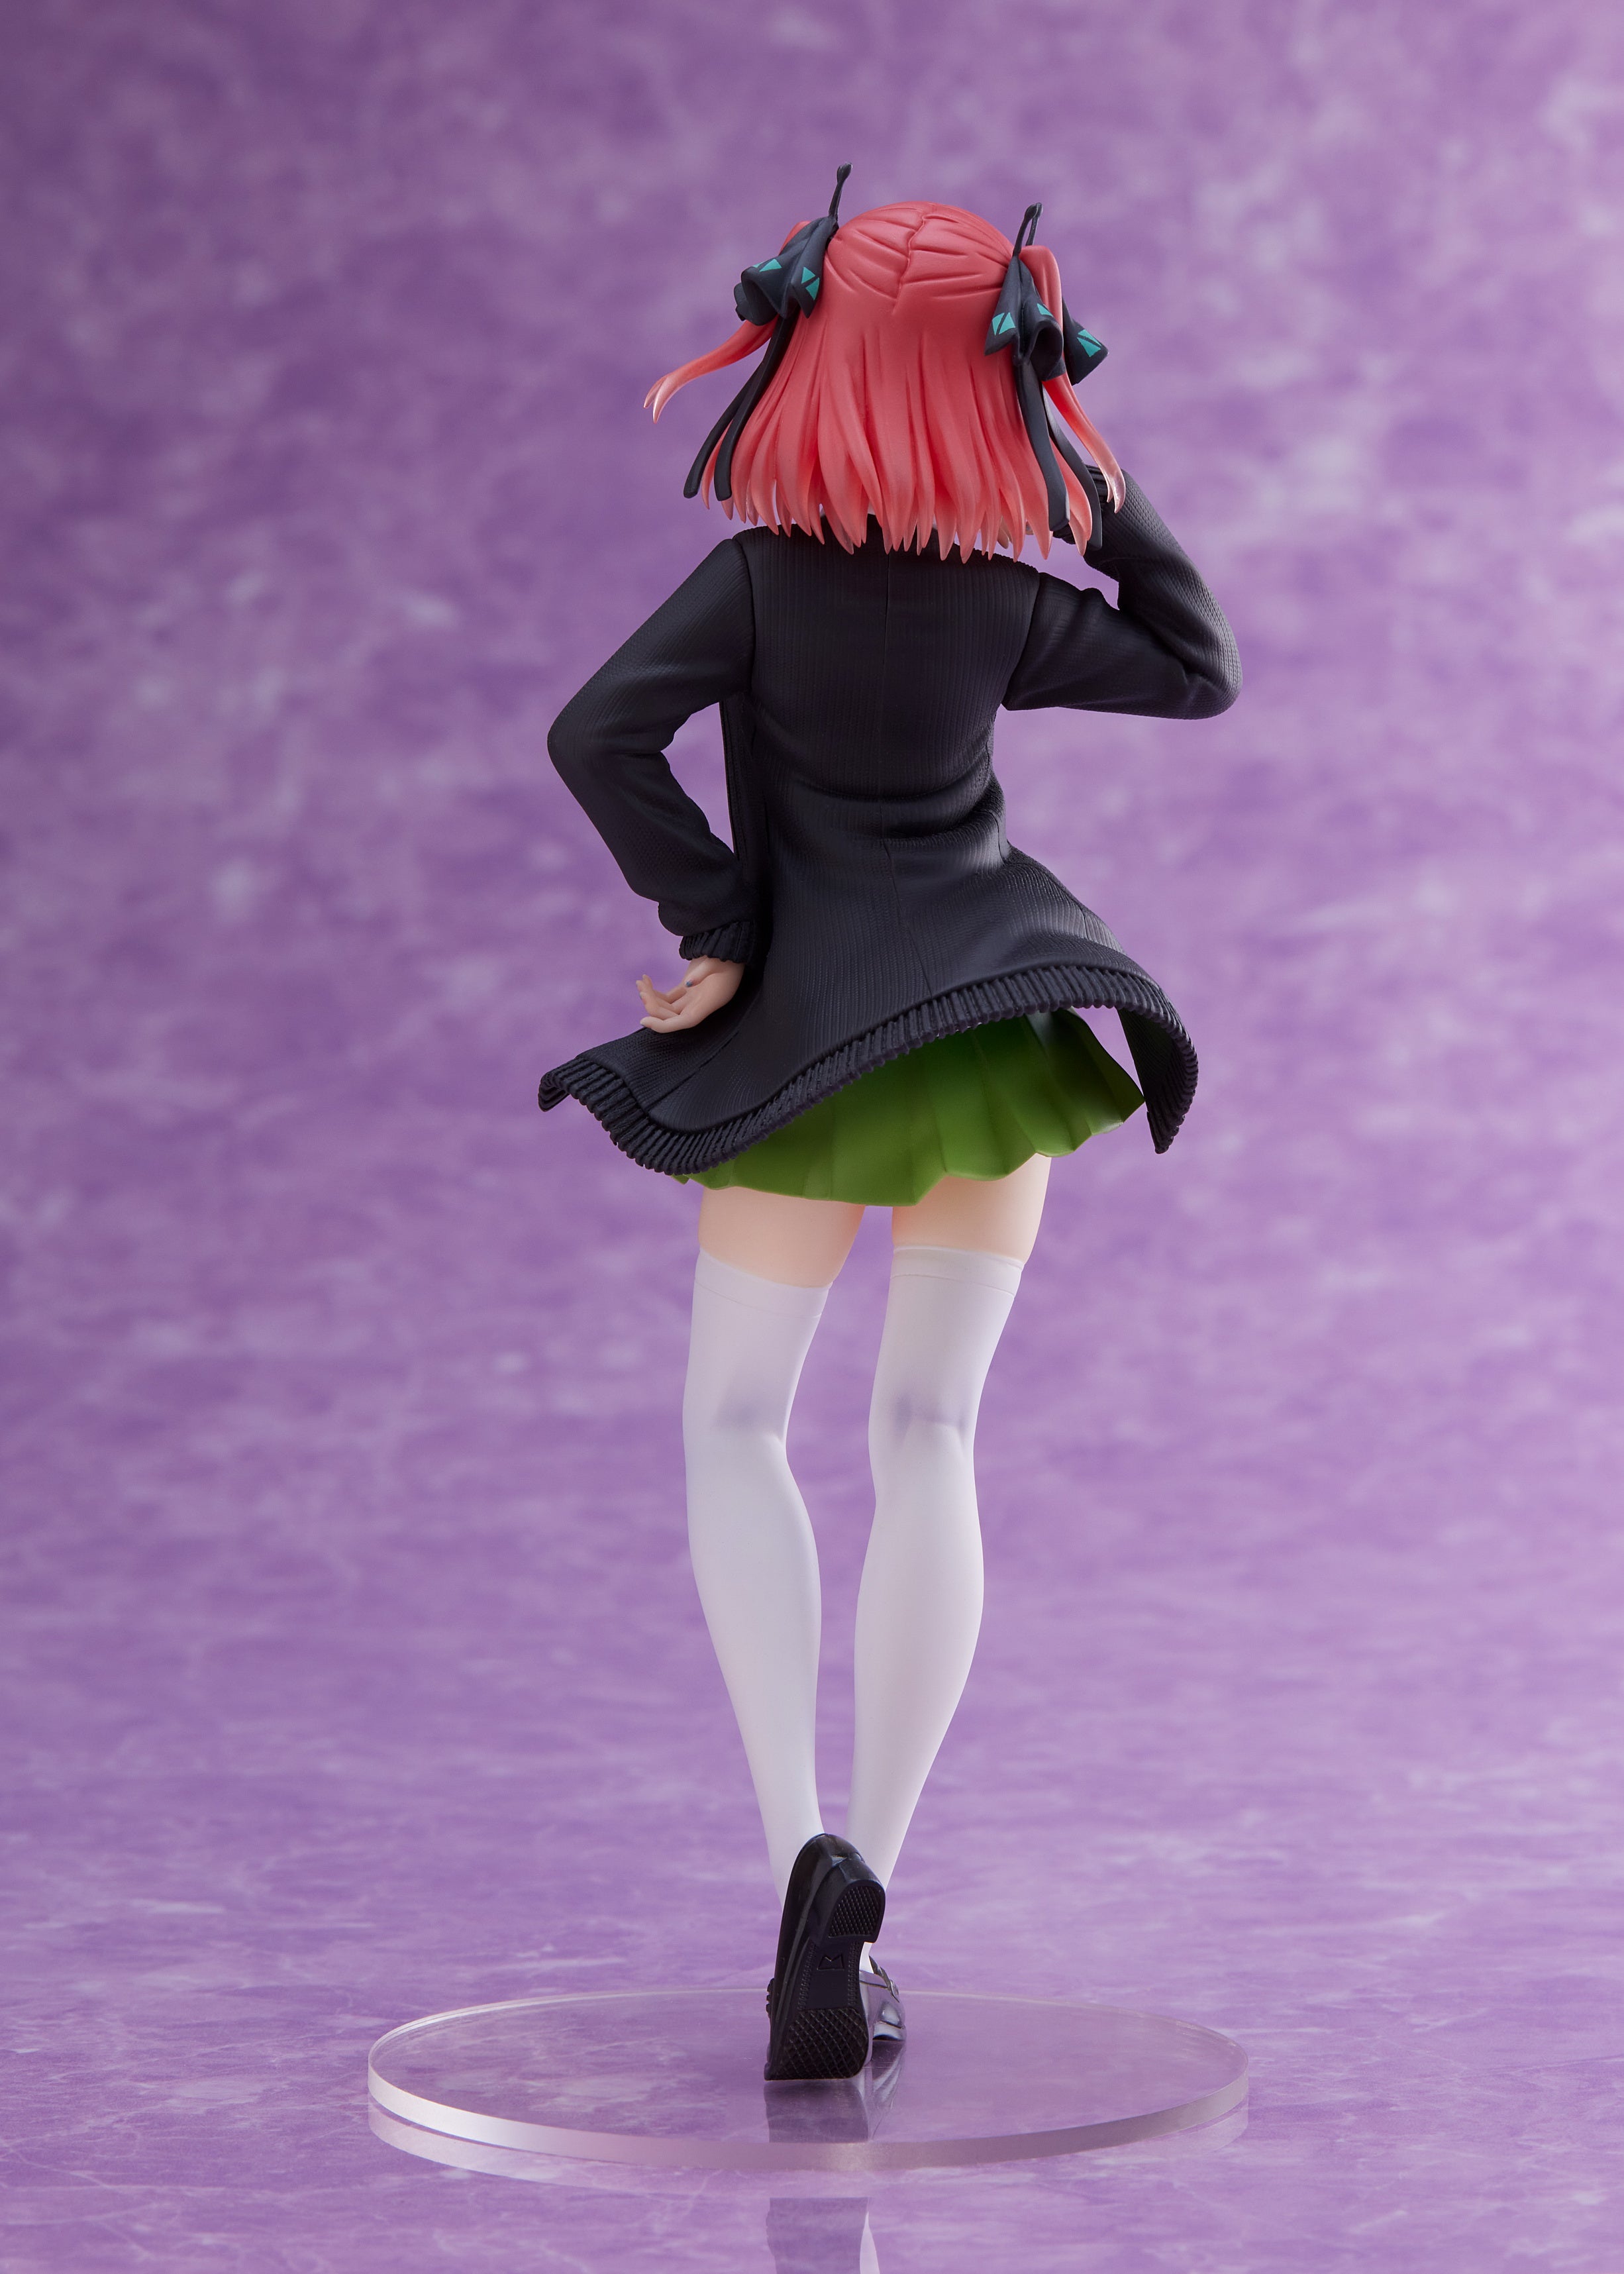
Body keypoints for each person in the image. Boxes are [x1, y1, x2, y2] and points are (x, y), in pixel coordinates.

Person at [540, 171, 1241, 2081]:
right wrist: (1087, 480)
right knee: (929, 1430)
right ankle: (873, 1906)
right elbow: (1195, 666)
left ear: (808, 360)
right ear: (995, 386)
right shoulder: (998, 603)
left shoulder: (760, 583)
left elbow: (595, 733)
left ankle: (803, 1858)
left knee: (732, 1425)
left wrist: (716, 922)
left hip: (803, 1042)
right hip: (985, 1035)